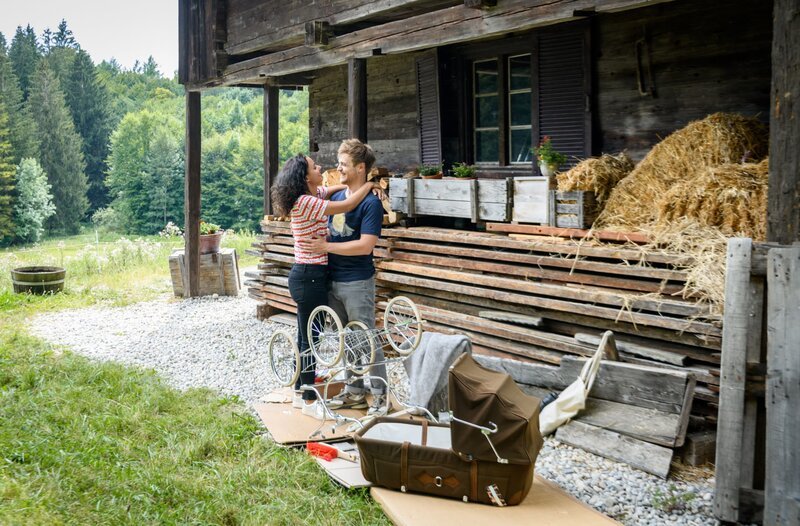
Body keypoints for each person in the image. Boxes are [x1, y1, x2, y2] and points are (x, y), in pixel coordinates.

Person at [270, 153, 377, 419]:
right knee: (310, 339)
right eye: (315, 167)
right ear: (306, 177)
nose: (321, 169)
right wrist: (368, 185)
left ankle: (298, 390)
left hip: (310, 276)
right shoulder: (306, 201)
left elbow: (334, 189)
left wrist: (349, 183)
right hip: (310, 277)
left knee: (306, 335)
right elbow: (348, 203)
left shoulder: (313, 192)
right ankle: (308, 398)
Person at [297, 139, 388, 417]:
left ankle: (381, 395)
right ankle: (355, 392)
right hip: (332, 279)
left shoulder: (371, 205)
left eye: (344, 164)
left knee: (366, 337)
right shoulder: (336, 199)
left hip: (357, 281)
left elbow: (365, 246)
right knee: (346, 338)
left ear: (361, 168)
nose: (338, 168)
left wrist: (326, 247)